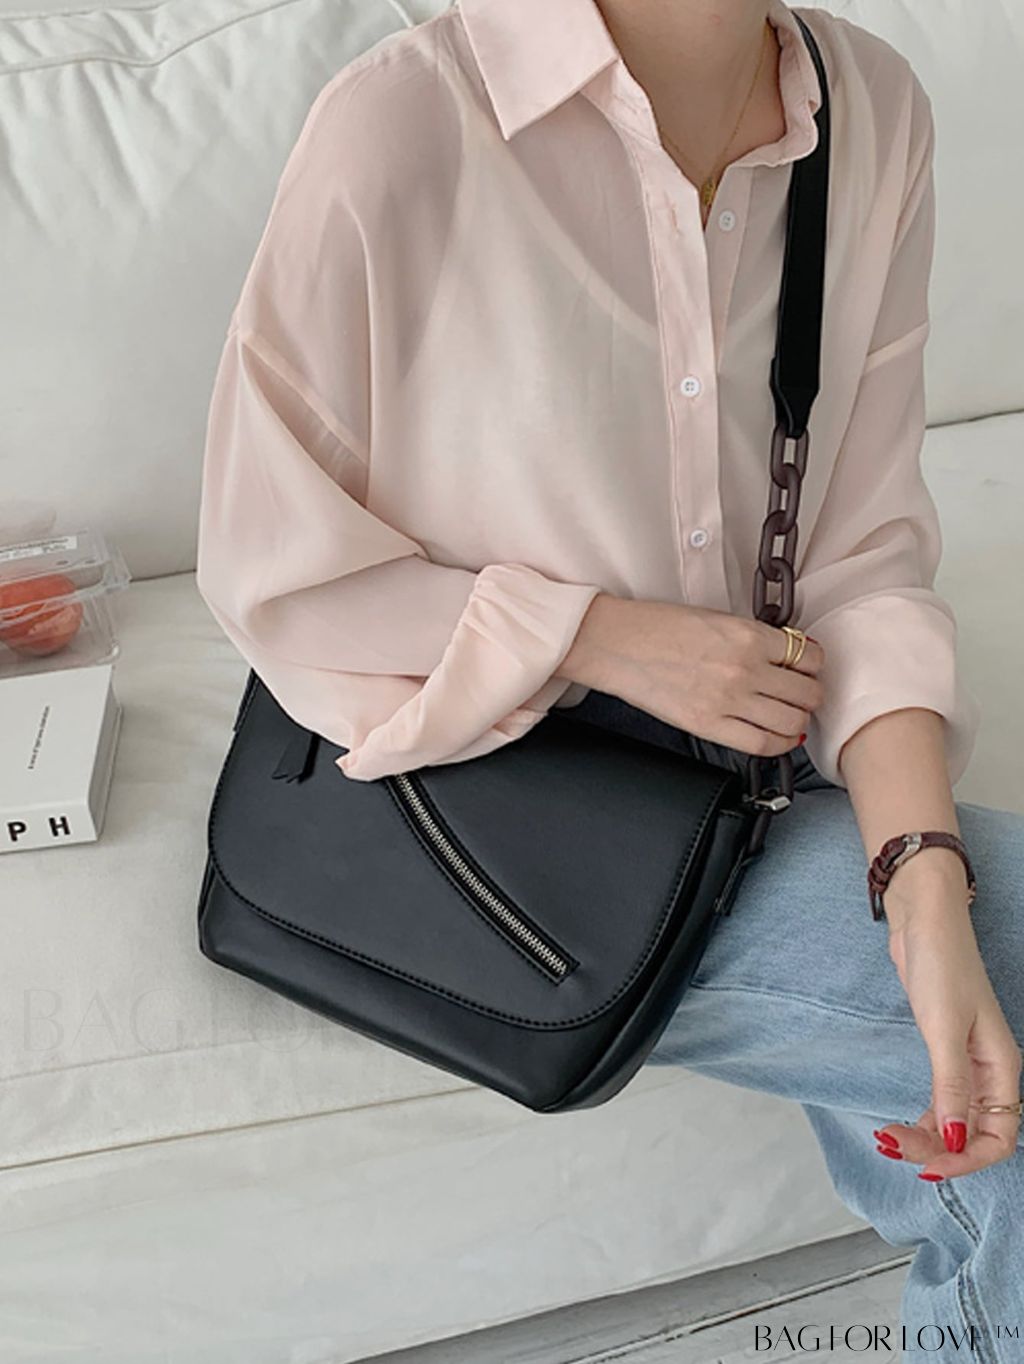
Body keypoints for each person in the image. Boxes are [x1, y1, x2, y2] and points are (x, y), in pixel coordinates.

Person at [195, 0, 1024, 1352]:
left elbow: (859, 557)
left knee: (987, 989)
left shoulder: (870, 111)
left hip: (742, 772)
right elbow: (273, 572)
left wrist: (922, 876)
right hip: (472, 789)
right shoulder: (407, 124)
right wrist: (597, 635)